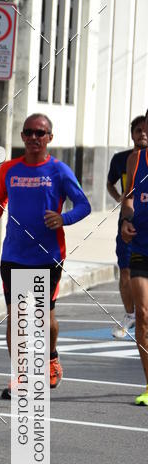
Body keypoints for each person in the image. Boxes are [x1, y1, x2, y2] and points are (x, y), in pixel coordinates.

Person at [0, 113, 91, 399]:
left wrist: (63, 218)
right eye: (28, 132)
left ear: (49, 138)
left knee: (44, 318)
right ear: (22, 136)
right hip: (14, 254)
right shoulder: (9, 169)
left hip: (48, 254)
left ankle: (51, 357)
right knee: (17, 317)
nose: (33, 137)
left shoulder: (59, 170)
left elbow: (84, 205)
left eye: (40, 133)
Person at [106, 116, 148, 338]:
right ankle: (130, 315)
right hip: (131, 222)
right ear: (132, 133)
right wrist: (121, 203)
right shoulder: (124, 159)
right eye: (138, 130)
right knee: (125, 270)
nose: (142, 133)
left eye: (145, 129)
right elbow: (112, 185)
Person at [120, 142, 148, 405]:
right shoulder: (136, 160)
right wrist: (126, 221)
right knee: (142, 315)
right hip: (142, 246)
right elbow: (128, 197)